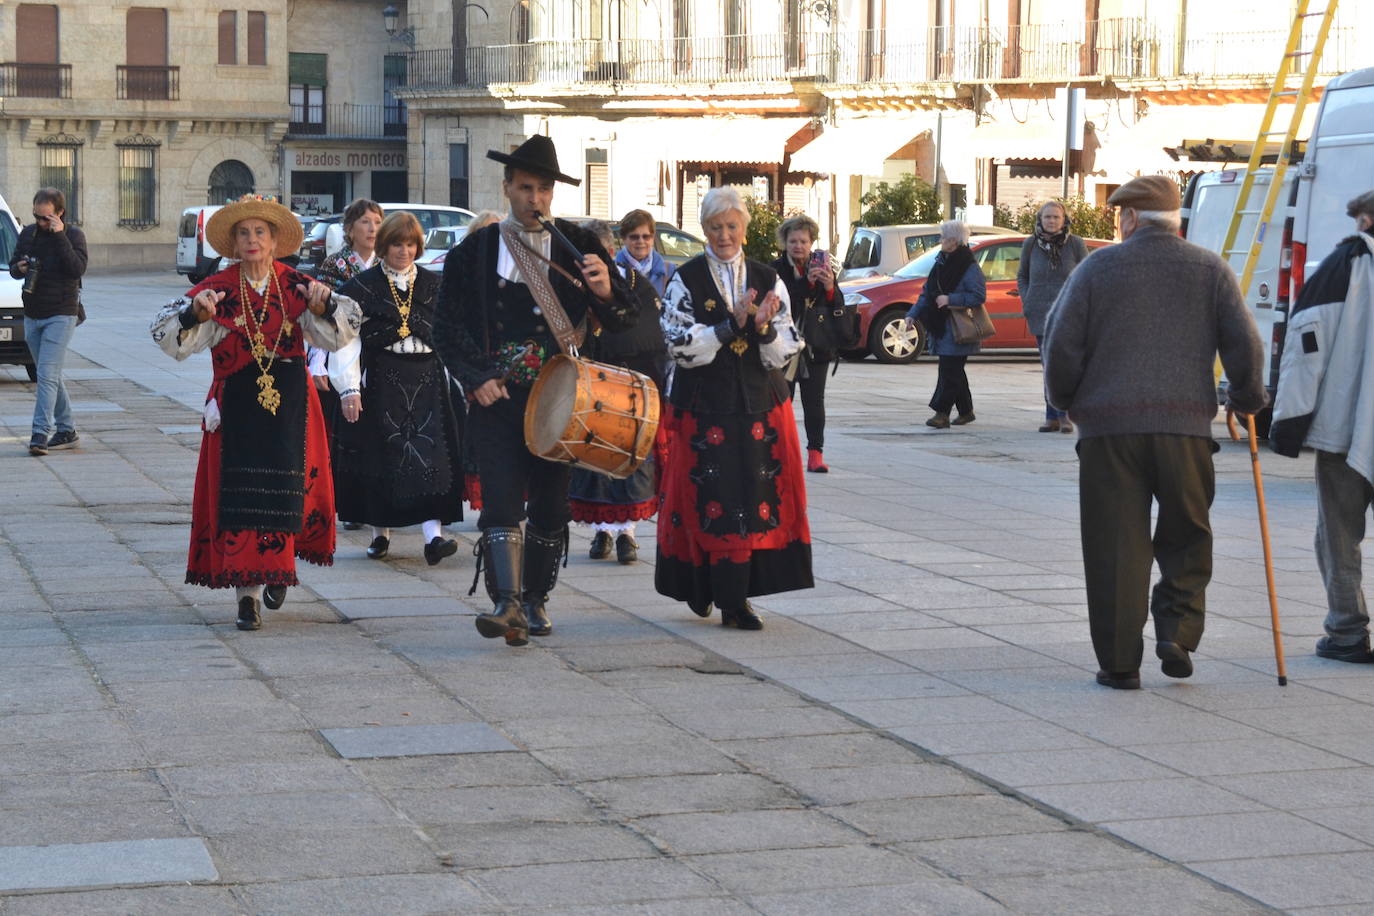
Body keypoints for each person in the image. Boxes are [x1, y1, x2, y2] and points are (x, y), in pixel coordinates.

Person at [1043, 175, 1266, 689]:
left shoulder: (1097, 268)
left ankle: (1120, 664)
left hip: (1108, 433)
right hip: (1185, 429)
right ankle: (1178, 633)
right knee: (1188, 534)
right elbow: (1244, 345)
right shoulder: (1209, 268)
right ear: (1177, 221)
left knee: (1115, 547)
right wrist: (1247, 397)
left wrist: (1066, 400)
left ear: (1129, 219)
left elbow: (1061, 343)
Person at [432, 134, 637, 647]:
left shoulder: (581, 245)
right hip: (497, 400)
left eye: (544, 189)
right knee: (501, 503)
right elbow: (445, 328)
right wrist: (475, 377)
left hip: (563, 401)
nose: (536, 199)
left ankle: (537, 599)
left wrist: (607, 289)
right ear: (507, 188)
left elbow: (627, 320)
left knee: (550, 506)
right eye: (526, 188)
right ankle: (506, 604)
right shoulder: (474, 252)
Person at [150, 195, 361, 631]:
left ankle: (278, 569)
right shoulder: (218, 290)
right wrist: (194, 313)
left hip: (291, 409)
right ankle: (246, 598)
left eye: (259, 232)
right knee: (241, 502)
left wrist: (324, 307)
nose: (252, 240)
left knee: (288, 493)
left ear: (274, 240)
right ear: (233, 241)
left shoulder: (296, 286)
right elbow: (168, 336)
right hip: (235, 410)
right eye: (243, 233)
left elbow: (341, 335)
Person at [656, 186, 814, 630]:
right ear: (703, 229)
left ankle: (735, 598)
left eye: (731, 226)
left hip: (759, 405)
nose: (724, 235)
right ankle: (700, 586)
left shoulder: (768, 277)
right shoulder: (685, 278)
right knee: (706, 500)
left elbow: (786, 346)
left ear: (743, 228)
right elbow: (678, 345)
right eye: (714, 227)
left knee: (753, 499)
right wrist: (729, 327)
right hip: (705, 407)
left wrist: (762, 329)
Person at [1271, 190, 1374, 663]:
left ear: (1366, 220)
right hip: (1351, 423)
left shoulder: (1343, 266)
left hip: (1350, 425)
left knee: (1338, 533)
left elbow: (1307, 344)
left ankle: (1348, 634)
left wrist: (1288, 421)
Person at [329, 211, 464, 566]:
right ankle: (379, 533)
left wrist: (469, 380)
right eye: (396, 244)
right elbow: (346, 340)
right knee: (383, 458)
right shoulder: (362, 287)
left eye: (409, 245)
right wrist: (348, 389)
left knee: (430, 458)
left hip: (427, 379)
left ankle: (434, 537)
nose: (403, 251)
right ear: (385, 245)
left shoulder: (437, 286)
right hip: (384, 377)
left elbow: (452, 337)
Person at [568, 219, 669, 565]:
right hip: (591, 389)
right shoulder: (571, 286)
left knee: (631, 462)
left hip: (630, 387)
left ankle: (627, 533)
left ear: (611, 253)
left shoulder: (635, 285)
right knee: (596, 463)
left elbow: (649, 333)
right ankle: (602, 533)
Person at [312, 199, 383, 530]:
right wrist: (319, 361)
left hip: (379, 355)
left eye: (378, 222)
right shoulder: (335, 266)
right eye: (366, 222)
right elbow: (318, 315)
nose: (372, 229)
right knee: (346, 432)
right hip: (340, 350)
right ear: (350, 228)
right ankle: (349, 503)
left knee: (378, 432)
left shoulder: (387, 262)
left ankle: (378, 499)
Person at [9, 187, 88, 456]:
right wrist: (18, 268)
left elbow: (77, 268)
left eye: (46, 218)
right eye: (37, 216)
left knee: (45, 375)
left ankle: (40, 434)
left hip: (62, 313)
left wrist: (59, 236)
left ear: (59, 213)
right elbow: (12, 265)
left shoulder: (73, 235)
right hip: (32, 313)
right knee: (50, 374)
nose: (41, 223)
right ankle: (67, 430)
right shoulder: (29, 234)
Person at [904, 221, 986, 429]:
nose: (940, 241)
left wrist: (951, 299)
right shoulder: (941, 262)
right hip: (942, 326)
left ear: (955, 241)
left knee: (949, 371)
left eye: (943, 237)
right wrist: (911, 315)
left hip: (959, 327)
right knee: (954, 370)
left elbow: (978, 296)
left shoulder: (969, 267)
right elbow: (927, 293)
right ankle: (966, 411)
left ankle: (942, 414)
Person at [771, 214, 838, 472]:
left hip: (815, 345)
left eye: (803, 241)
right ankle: (780, 453)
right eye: (793, 241)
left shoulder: (823, 265)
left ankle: (815, 454)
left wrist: (830, 286)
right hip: (782, 347)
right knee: (781, 402)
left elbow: (836, 305)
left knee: (814, 402)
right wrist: (806, 283)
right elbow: (782, 300)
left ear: (812, 243)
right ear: (785, 243)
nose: (798, 246)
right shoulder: (775, 270)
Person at [1018, 200, 1089, 434]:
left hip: (1068, 312)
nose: (1051, 221)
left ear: (1064, 220)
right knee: (1048, 366)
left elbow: (1086, 275)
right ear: (1040, 220)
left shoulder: (1075, 244)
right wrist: (1027, 299)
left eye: (1056, 217)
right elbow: (1023, 276)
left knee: (1066, 365)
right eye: (1047, 217)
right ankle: (1052, 417)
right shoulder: (1031, 244)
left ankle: (1065, 414)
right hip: (1039, 313)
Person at [616, 209, 671, 295]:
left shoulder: (669, 271)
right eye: (634, 237)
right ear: (624, 239)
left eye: (646, 237)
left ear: (652, 238)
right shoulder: (612, 272)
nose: (641, 241)